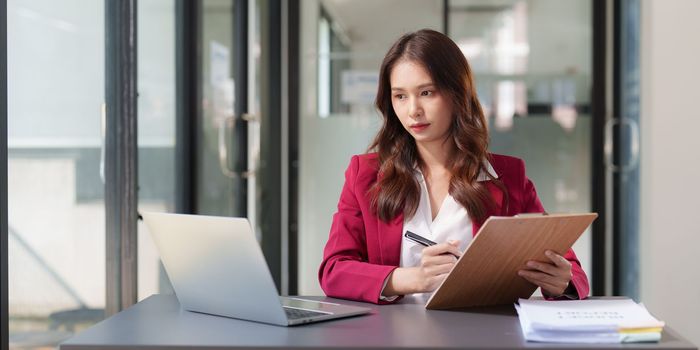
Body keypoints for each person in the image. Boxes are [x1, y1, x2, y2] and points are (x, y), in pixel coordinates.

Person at [318, 29, 588, 304]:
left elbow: (571, 269)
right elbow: (333, 271)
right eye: (400, 96)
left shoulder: (508, 178)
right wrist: (411, 278)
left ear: (457, 93)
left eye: (426, 92)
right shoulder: (365, 175)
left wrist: (562, 281)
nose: (413, 110)